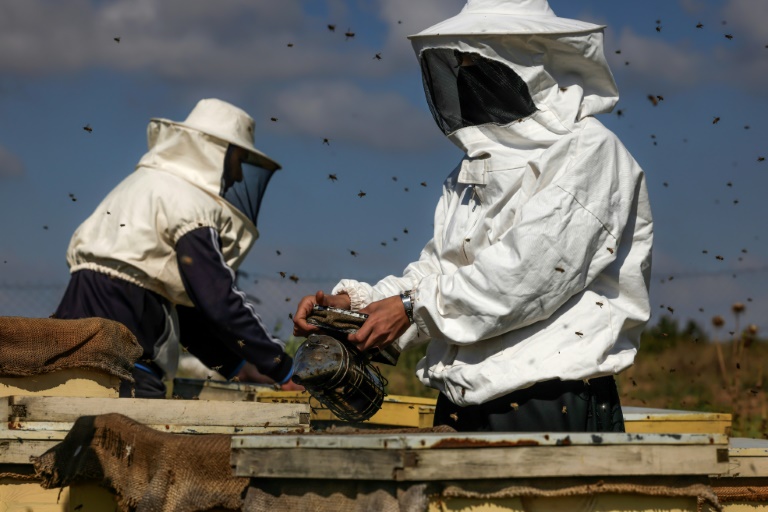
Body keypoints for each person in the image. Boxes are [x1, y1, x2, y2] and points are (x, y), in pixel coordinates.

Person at [294, 0, 653, 432]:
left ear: (522, 60)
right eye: (455, 65)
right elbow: (442, 269)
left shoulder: (590, 152)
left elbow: (525, 275)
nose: (465, 79)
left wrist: (410, 308)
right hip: (462, 397)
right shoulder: (472, 167)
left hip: (548, 399)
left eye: (475, 62)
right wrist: (358, 306)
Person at [56, 98, 297, 398]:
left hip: (69, 337)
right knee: (136, 437)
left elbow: (186, 310)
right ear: (219, 152)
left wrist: (237, 365)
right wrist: (282, 367)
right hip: (125, 350)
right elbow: (218, 301)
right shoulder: (189, 204)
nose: (237, 176)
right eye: (238, 161)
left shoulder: (141, 185)